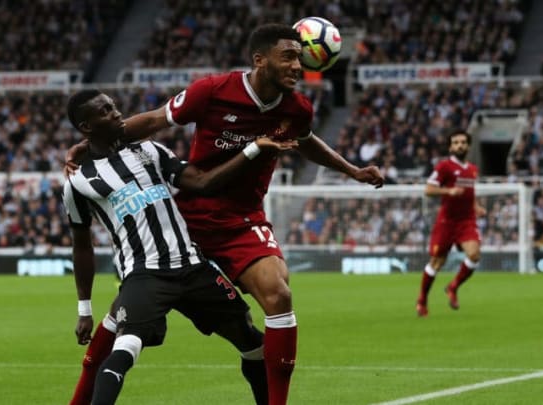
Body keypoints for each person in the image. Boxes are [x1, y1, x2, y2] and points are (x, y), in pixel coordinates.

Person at [66, 23, 384, 405]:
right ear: (259, 59)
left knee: (277, 296)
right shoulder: (213, 90)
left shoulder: (297, 108)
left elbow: (304, 140)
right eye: (289, 56)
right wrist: (90, 145)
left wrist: (352, 171)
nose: (298, 66)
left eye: (300, 57)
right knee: (121, 319)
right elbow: (152, 121)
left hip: (241, 220)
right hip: (189, 219)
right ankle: (81, 396)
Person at [63, 89, 298, 405]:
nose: (116, 113)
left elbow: (203, 182)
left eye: (114, 106)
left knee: (254, 344)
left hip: (193, 267)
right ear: (86, 126)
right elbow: (82, 247)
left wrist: (253, 150)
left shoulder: (149, 150)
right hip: (145, 274)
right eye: (105, 111)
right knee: (126, 347)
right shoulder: (78, 181)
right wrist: (84, 309)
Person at [416, 130, 486, 317]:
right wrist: (448, 192)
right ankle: (422, 300)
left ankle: (453, 287)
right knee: (437, 262)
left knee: (474, 254)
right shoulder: (444, 167)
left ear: (468, 146)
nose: (460, 145)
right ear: (450, 146)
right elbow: (428, 189)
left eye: (463, 142)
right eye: (456, 142)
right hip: (446, 221)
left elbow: (469, 193)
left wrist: (476, 206)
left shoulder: (472, 169)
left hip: (466, 220)